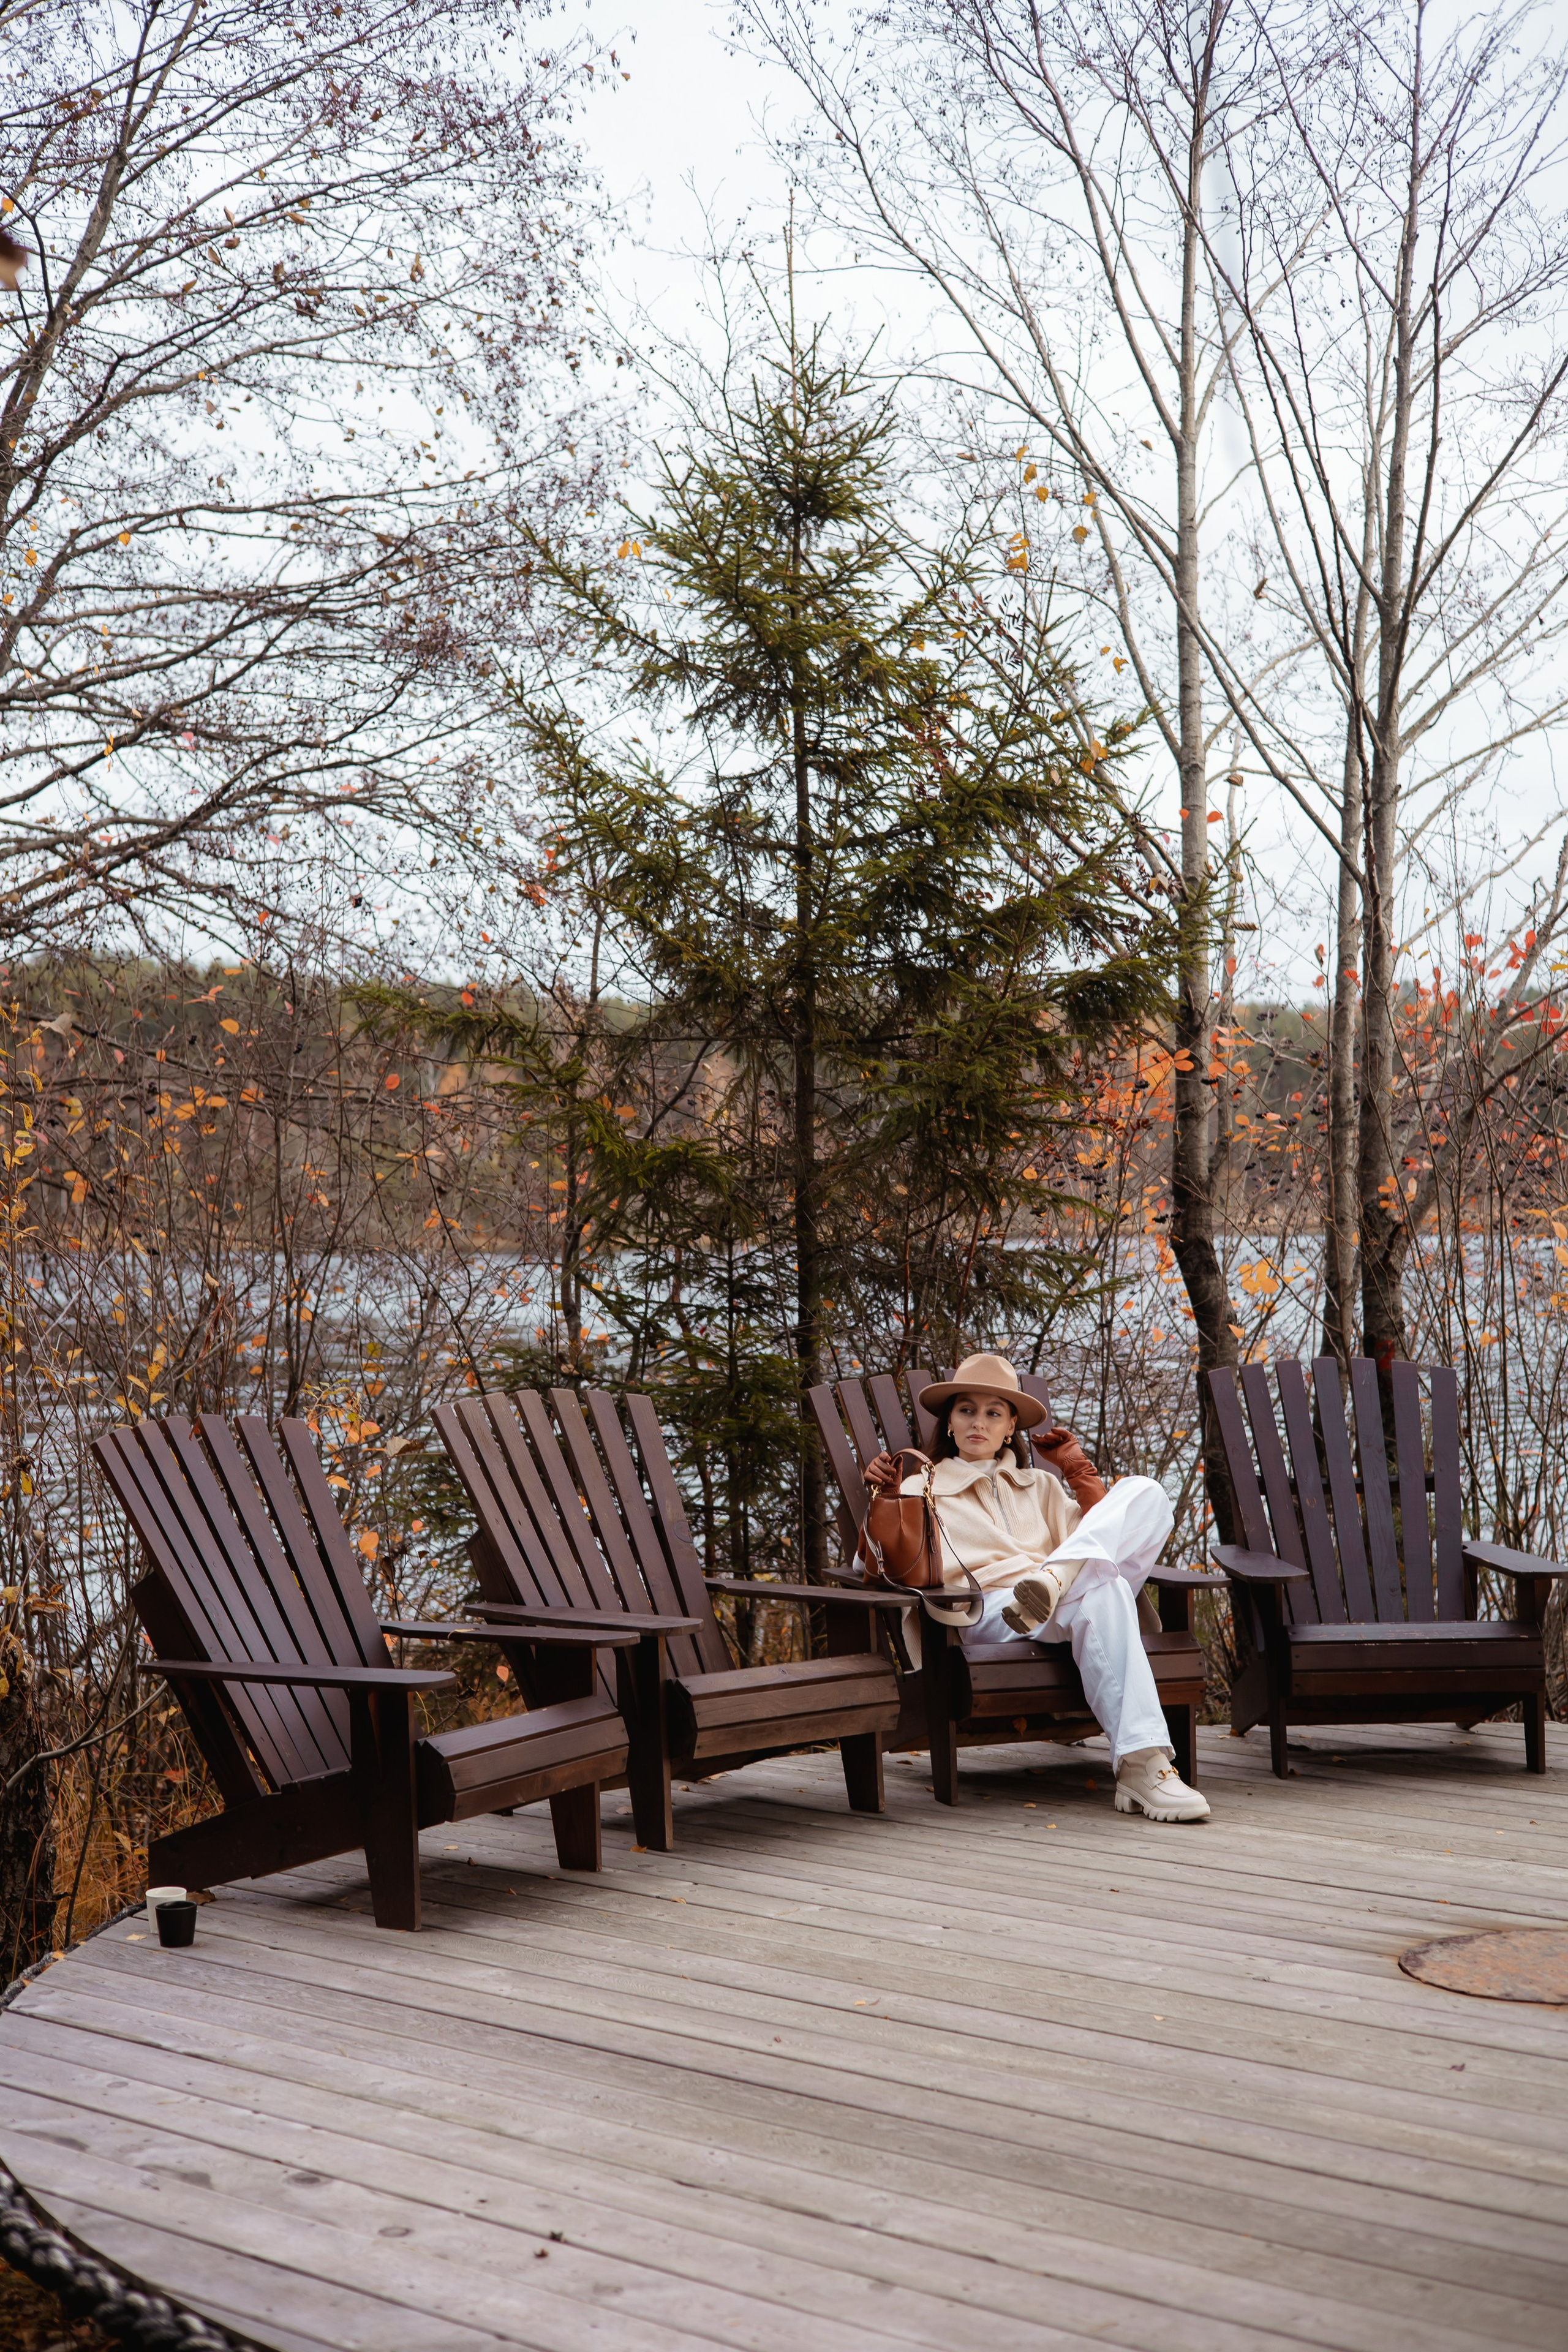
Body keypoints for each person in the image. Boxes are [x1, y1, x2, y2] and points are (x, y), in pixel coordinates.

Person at [864, 1352, 1209, 1822]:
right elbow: (878, 1571)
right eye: (966, 1410)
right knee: (1102, 1588)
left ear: (1010, 1428)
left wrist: (1078, 1475)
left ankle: (1054, 1579)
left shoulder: (1041, 1487)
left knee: (1147, 1493)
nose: (978, 1422)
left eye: (993, 1413)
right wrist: (883, 1501)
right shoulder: (919, 1489)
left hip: (1056, 1600)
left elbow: (1104, 1537)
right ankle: (1144, 1767)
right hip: (987, 1610)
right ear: (948, 1422)